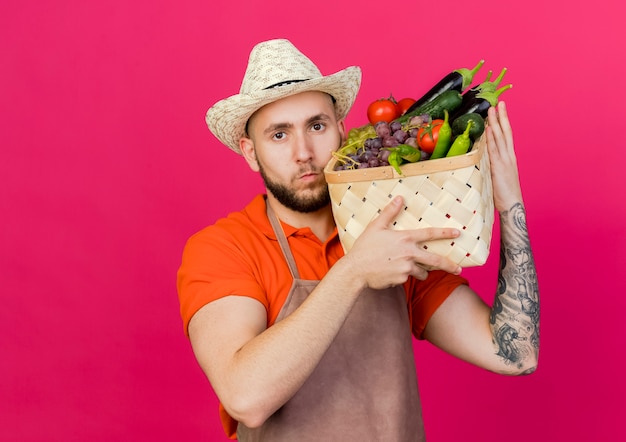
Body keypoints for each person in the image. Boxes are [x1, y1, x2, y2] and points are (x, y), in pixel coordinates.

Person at [177, 39, 539, 441]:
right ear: (250, 152)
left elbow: (514, 355)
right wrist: (353, 271)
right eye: (279, 135)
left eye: (317, 126)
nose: (304, 152)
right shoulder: (224, 248)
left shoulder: (395, 232)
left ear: (341, 131)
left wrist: (508, 202)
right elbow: (246, 398)